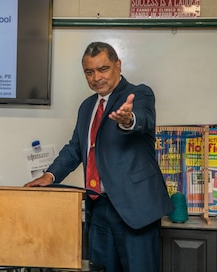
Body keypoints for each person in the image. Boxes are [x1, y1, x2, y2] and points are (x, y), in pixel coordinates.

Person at [24, 42, 174, 272]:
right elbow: (76, 147)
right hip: (98, 208)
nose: (96, 78)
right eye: (89, 72)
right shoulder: (87, 107)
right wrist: (50, 176)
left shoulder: (139, 93)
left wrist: (128, 119)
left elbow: (142, 119)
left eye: (103, 69)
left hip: (135, 209)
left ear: (118, 65)